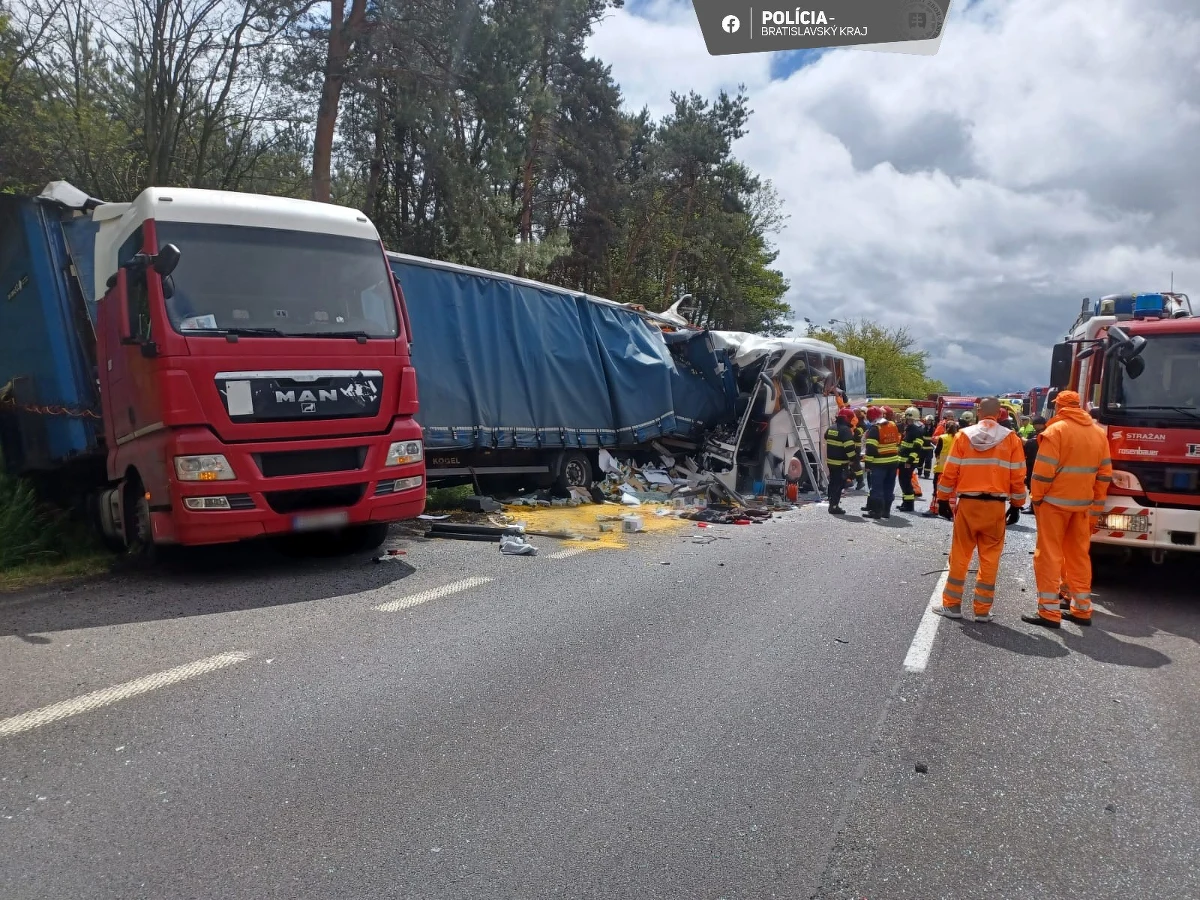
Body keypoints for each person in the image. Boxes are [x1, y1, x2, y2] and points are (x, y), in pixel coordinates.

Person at [1022, 390, 1113, 630]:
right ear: (1079, 406)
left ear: (1059, 406)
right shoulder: (1098, 434)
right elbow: (1104, 475)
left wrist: (1037, 499)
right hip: (1083, 505)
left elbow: (1042, 472)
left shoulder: (1055, 431)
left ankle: (1049, 612)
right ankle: (1082, 610)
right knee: (1079, 556)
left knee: (1049, 555)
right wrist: (1096, 506)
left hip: (1054, 503)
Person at [933, 397, 1027, 622]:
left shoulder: (963, 436)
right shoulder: (1011, 439)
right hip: (995, 507)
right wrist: (1017, 505)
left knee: (960, 555)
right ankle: (982, 611)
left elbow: (950, 470)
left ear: (979, 411)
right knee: (990, 559)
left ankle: (952, 606)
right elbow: (1018, 476)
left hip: (968, 504)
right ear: (1000, 414)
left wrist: (943, 499)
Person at [864, 405, 901, 519]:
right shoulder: (893, 425)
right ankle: (886, 511)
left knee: (877, 488)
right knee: (889, 487)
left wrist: (867, 464)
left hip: (880, 463)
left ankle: (876, 512)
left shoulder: (875, 428)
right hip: (893, 462)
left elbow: (870, 448)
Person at [824, 406, 858, 515]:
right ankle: (834, 506)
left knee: (833, 482)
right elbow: (849, 448)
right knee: (838, 484)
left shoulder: (831, 428)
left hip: (831, 461)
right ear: (847, 418)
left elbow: (825, 437)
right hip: (841, 463)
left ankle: (831, 503)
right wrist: (853, 460)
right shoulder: (845, 430)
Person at [923, 420, 958, 517]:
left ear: (946, 428)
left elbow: (937, 452)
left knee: (937, 490)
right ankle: (952, 512)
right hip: (955, 470)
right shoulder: (958, 438)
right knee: (952, 492)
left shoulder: (942, 438)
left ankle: (934, 509)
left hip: (941, 469)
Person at [897, 407, 927, 512]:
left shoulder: (916, 430)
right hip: (904, 460)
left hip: (908, 461)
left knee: (905, 483)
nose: (905, 420)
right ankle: (905, 503)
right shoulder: (910, 428)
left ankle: (909, 505)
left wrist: (910, 460)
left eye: (907, 418)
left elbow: (917, 447)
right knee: (903, 482)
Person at [1020, 415, 1047, 514]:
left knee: (1034, 485)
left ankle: (1033, 507)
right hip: (1034, 462)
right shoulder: (1038, 433)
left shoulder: (1043, 434)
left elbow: (1031, 443)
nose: (1034, 427)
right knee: (1032, 485)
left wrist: (1022, 440)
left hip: (1036, 462)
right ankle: (1032, 505)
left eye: (1035, 425)